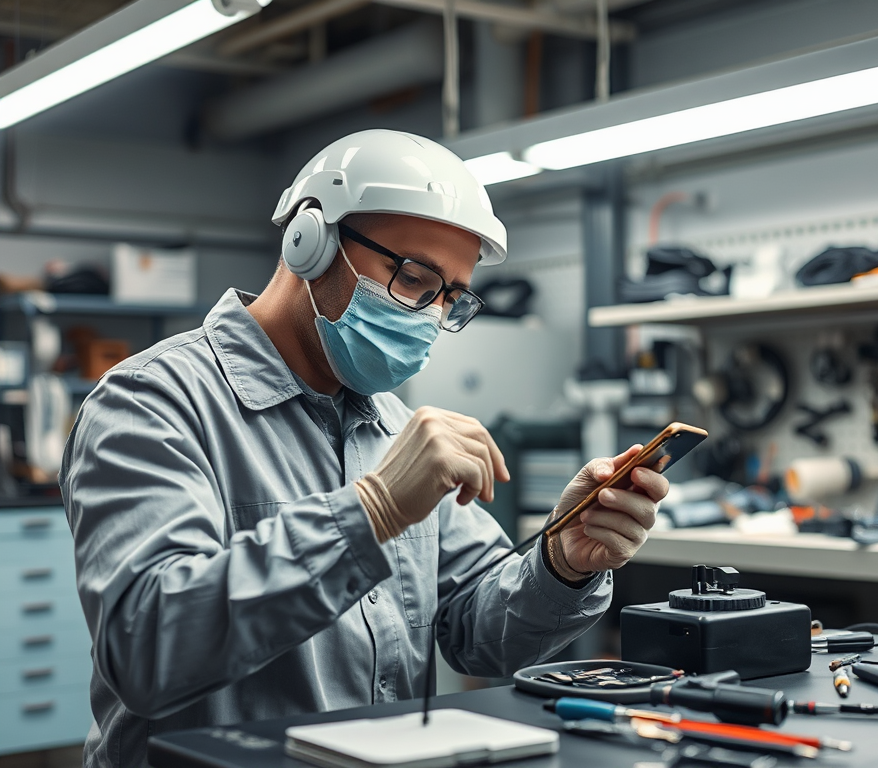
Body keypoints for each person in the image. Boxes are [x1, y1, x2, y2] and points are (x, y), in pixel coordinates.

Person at [59, 130, 668, 768]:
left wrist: (561, 561)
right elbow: (147, 649)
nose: (431, 317)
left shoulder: (393, 428)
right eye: (413, 278)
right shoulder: (151, 403)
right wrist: (368, 513)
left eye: (450, 298)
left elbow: (474, 636)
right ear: (310, 240)